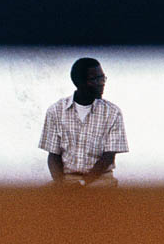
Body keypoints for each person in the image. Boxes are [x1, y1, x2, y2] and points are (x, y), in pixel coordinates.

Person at [38, 58, 128, 187]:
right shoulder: (56, 111)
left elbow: (108, 157)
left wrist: (82, 183)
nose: (101, 83)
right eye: (94, 79)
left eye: (102, 78)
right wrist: (60, 184)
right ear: (79, 82)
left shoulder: (113, 112)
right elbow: (53, 155)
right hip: (67, 179)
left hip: (100, 179)